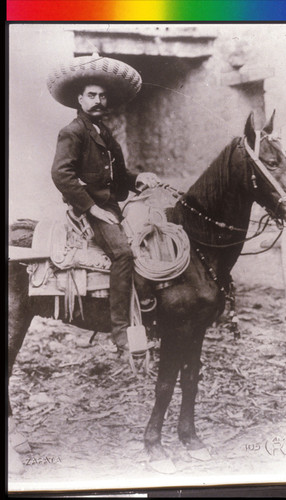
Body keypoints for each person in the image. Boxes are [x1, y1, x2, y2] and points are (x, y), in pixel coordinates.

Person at [48, 55, 160, 352]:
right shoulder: (73, 132)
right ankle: (120, 332)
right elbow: (61, 174)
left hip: (111, 207)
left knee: (151, 237)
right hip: (89, 209)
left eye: (102, 96)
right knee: (123, 254)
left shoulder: (105, 134)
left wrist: (140, 179)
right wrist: (92, 208)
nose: (98, 101)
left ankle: (150, 312)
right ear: (80, 99)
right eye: (92, 95)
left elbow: (119, 180)